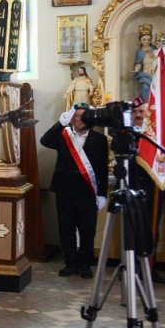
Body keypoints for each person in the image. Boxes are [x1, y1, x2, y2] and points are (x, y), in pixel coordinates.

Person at [39, 103, 108, 279]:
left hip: (87, 193)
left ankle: (85, 264)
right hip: (65, 191)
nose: (78, 119)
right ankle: (70, 263)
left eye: (82, 116)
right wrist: (60, 123)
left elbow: (102, 170)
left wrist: (102, 194)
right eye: (75, 116)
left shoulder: (99, 139)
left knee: (87, 230)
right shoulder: (63, 135)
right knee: (66, 229)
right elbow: (45, 141)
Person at [128, 97, 165, 285]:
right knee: (133, 232)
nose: (138, 115)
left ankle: (150, 269)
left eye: (142, 112)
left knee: (152, 232)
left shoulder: (158, 137)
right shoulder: (127, 135)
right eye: (135, 112)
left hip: (153, 191)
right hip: (132, 191)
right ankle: (132, 269)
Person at [132, 24, 157, 102]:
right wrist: (136, 70)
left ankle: (154, 105)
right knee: (145, 88)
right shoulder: (139, 52)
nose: (146, 42)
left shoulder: (155, 49)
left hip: (155, 72)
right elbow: (138, 63)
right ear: (140, 40)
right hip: (145, 73)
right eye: (144, 39)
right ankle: (144, 104)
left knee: (156, 90)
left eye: (148, 39)